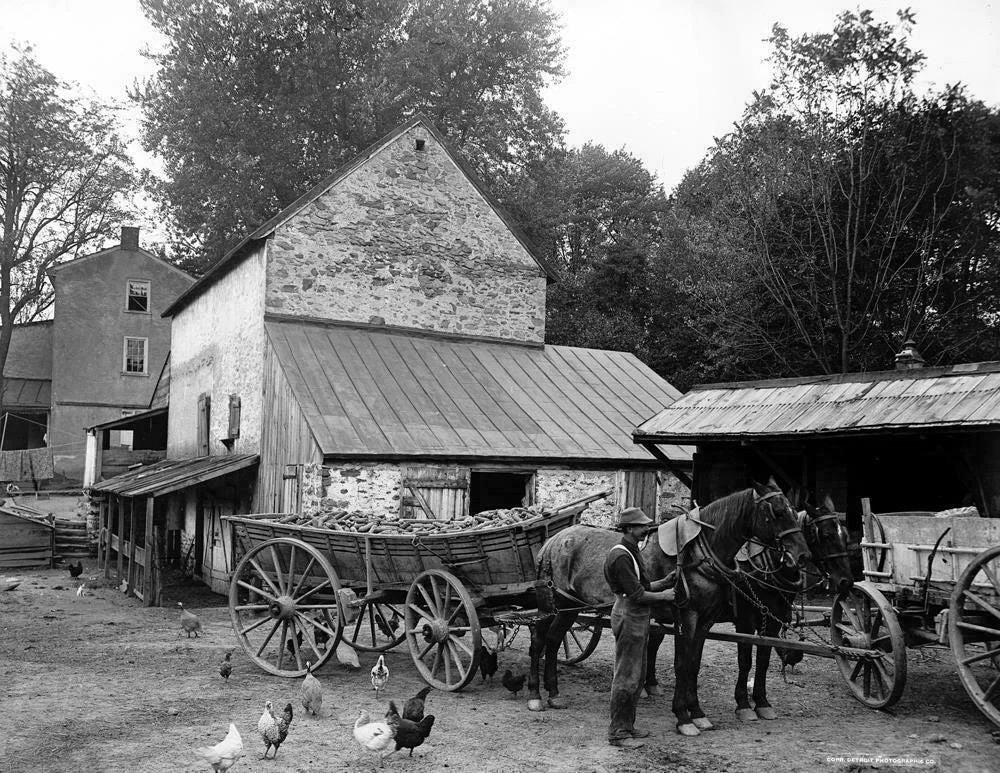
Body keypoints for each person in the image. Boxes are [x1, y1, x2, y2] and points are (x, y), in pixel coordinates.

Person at [604, 506, 675, 748]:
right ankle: (618, 732)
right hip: (629, 615)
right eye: (642, 526)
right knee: (626, 677)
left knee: (638, 675)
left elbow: (642, 586)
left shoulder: (633, 550)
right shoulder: (621, 556)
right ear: (629, 529)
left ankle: (628, 726)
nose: (647, 529)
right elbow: (637, 595)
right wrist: (666, 596)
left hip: (638, 616)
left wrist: (664, 582)